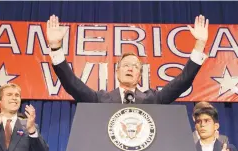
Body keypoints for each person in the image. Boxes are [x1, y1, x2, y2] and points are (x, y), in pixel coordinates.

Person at [46, 14, 208, 104]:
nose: (130, 68)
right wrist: (55, 47)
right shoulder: (100, 100)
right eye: (126, 65)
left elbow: (182, 82)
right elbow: (71, 84)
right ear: (117, 72)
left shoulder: (153, 100)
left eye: (135, 66)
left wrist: (200, 45)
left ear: (140, 75)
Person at [0, 83, 49, 151]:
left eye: (17, 95)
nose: (14, 98)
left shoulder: (30, 126)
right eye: (9, 94)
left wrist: (32, 131)